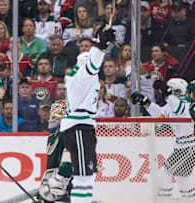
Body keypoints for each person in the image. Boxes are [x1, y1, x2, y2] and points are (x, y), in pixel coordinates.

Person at [47, 24, 115, 203]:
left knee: (88, 175)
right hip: (78, 128)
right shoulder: (81, 76)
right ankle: (59, 181)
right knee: (83, 178)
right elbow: (92, 65)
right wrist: (100, 46)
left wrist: (101, 46)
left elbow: (93, 66)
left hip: (84, 127)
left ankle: (58, 179)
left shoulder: (84, 77)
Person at [131, 79, 195, 202]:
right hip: (182, 145)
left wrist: (168, 93)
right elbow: (160, 114)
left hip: (189, 146)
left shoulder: (186, 104)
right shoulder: (172, 104)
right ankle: (190, 200)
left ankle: (165, 200)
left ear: (177, 91)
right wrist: (145, 102)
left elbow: (178, 109)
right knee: (182, 176)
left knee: (165, 173)